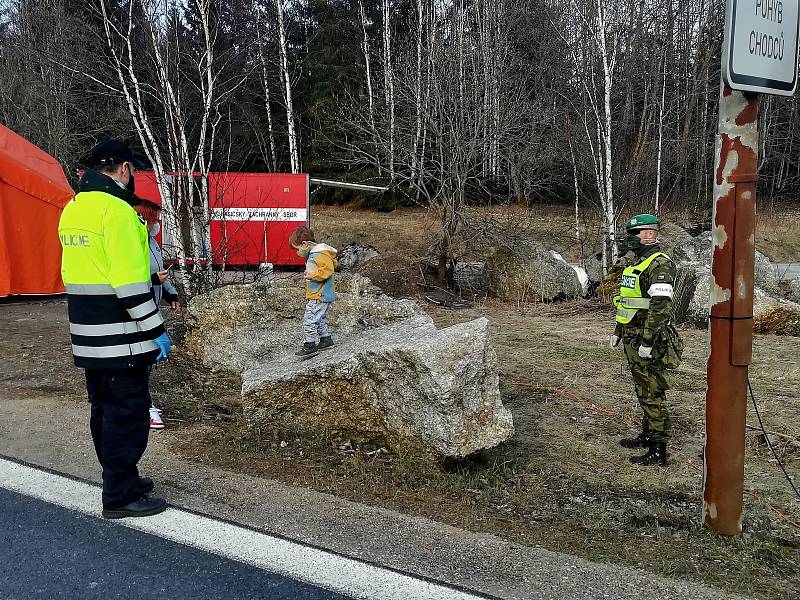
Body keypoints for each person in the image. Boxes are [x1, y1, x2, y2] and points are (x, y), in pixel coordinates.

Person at [58, 139, 171, 518]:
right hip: (122, 338)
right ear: (124, 169)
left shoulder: (73, 208)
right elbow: (128, 284)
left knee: (104, 412)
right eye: (133, 170)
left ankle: (120, 478)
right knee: (128, 415)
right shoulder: (119, 212)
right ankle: (121, 495)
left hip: (88, 336)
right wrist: (155, 328)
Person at [610, 214, 683, 466]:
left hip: (648, 340)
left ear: (650, 234)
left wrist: (648, 342)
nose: (631, 239)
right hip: (632, 337)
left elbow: (660, 307)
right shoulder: (637, 263)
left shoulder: (659, 264)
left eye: (636, 234)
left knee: (653, 392)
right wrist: (618, 332)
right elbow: (627, 301)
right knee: (643, 389)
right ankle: (647, 434)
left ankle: (658, 449)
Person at [135, 198, 181, 430]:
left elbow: (160, 273)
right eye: (155, 219)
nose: (158, 224)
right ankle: (146, 407)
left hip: (151, 306)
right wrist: (152, 281)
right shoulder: (133, 243)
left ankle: (144, 403)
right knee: (141, 361)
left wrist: (170, 294)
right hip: (136, 311)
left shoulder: (151, 241)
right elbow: (128, 281)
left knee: (149, 359)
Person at [288, 226, 338, 358]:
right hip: (319, 294)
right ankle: (326, 339)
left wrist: (312, 275)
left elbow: (327, 270)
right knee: (320, 318)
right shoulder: (316, 254)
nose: (297, 252)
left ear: (304, 244)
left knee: (310, 318)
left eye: (297, 249)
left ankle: (310, 344)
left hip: (320, 295)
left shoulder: (318, 254)